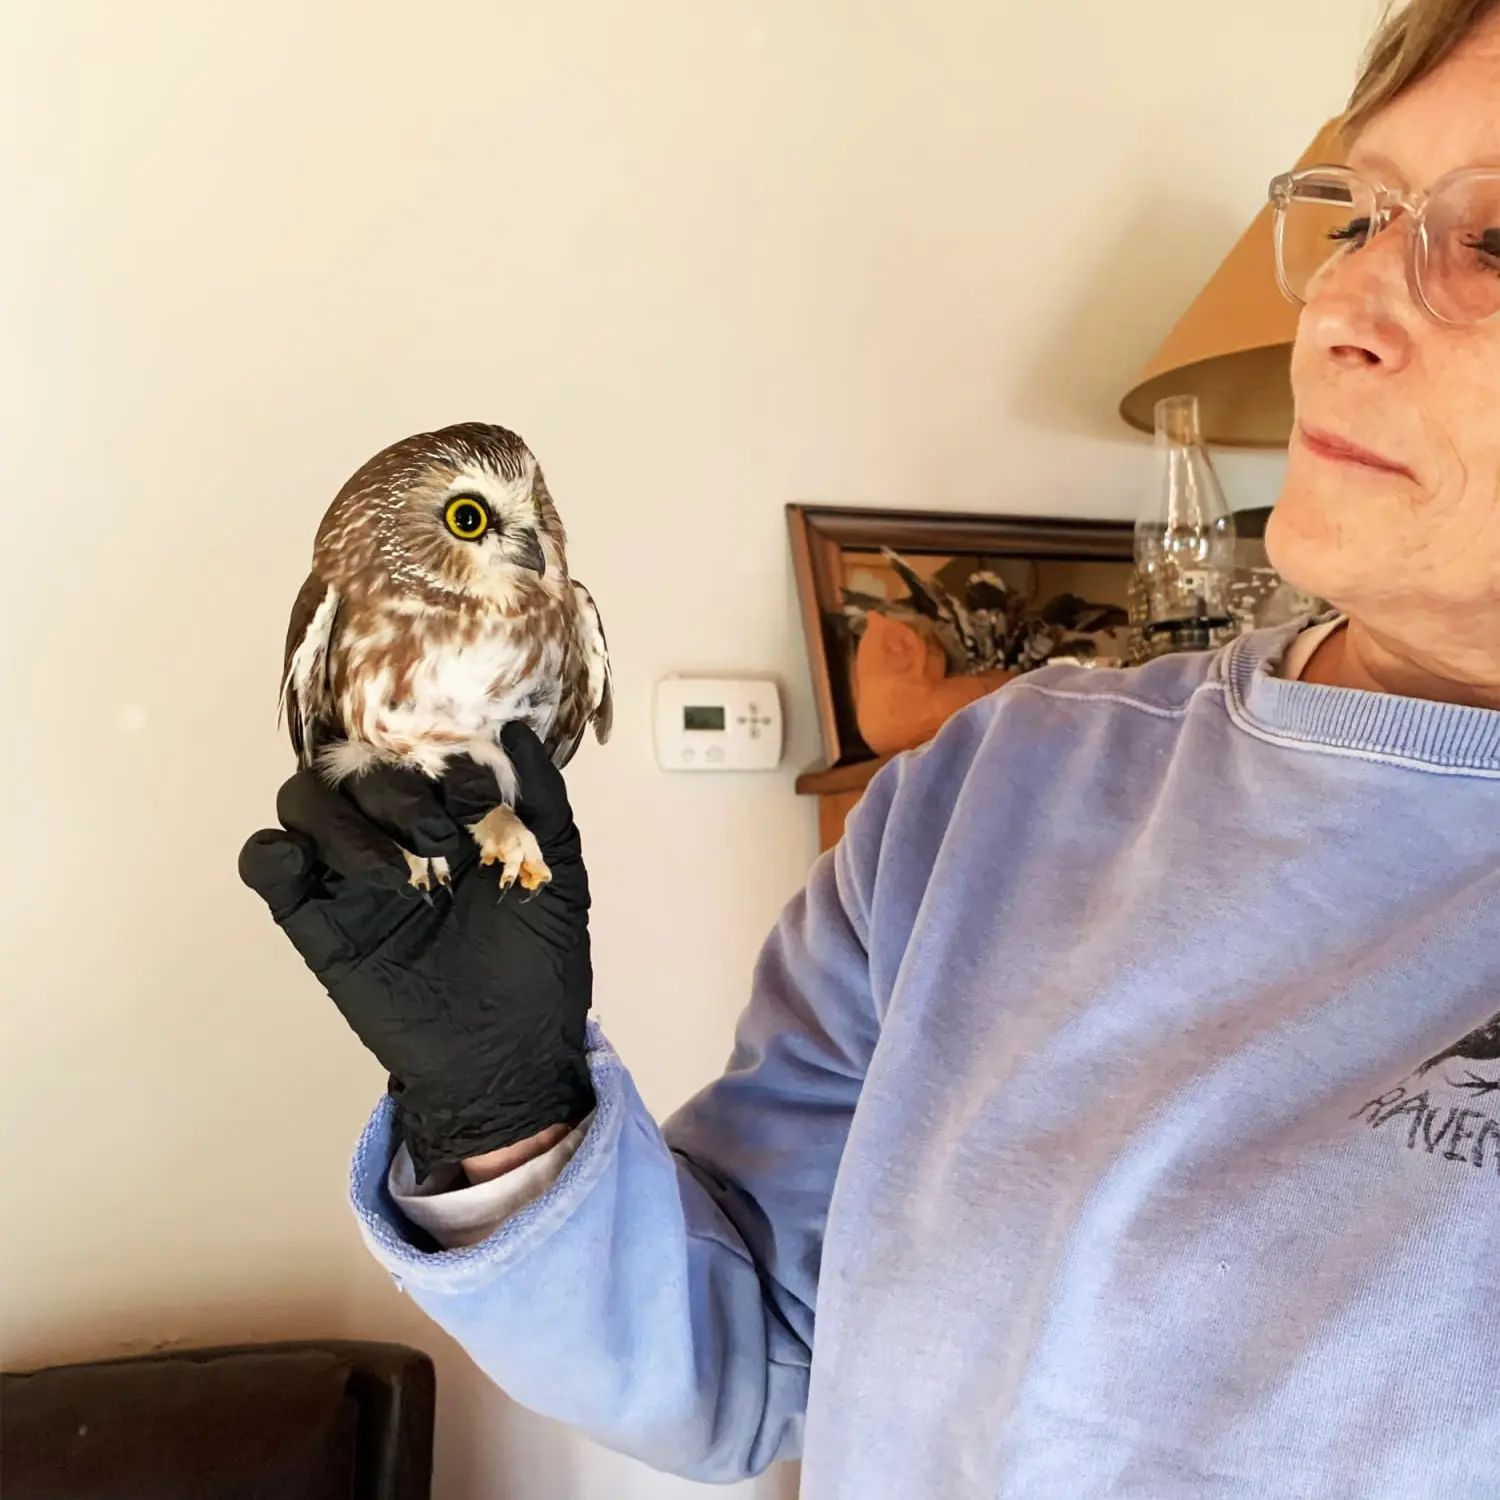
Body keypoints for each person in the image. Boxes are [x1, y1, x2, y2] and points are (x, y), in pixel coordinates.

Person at [239, 1, 1500, 1492]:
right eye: (1360, 212)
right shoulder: (999, 789)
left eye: (1496, 244)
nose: (1344, 305)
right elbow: (756, 1364)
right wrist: (510, 1122)